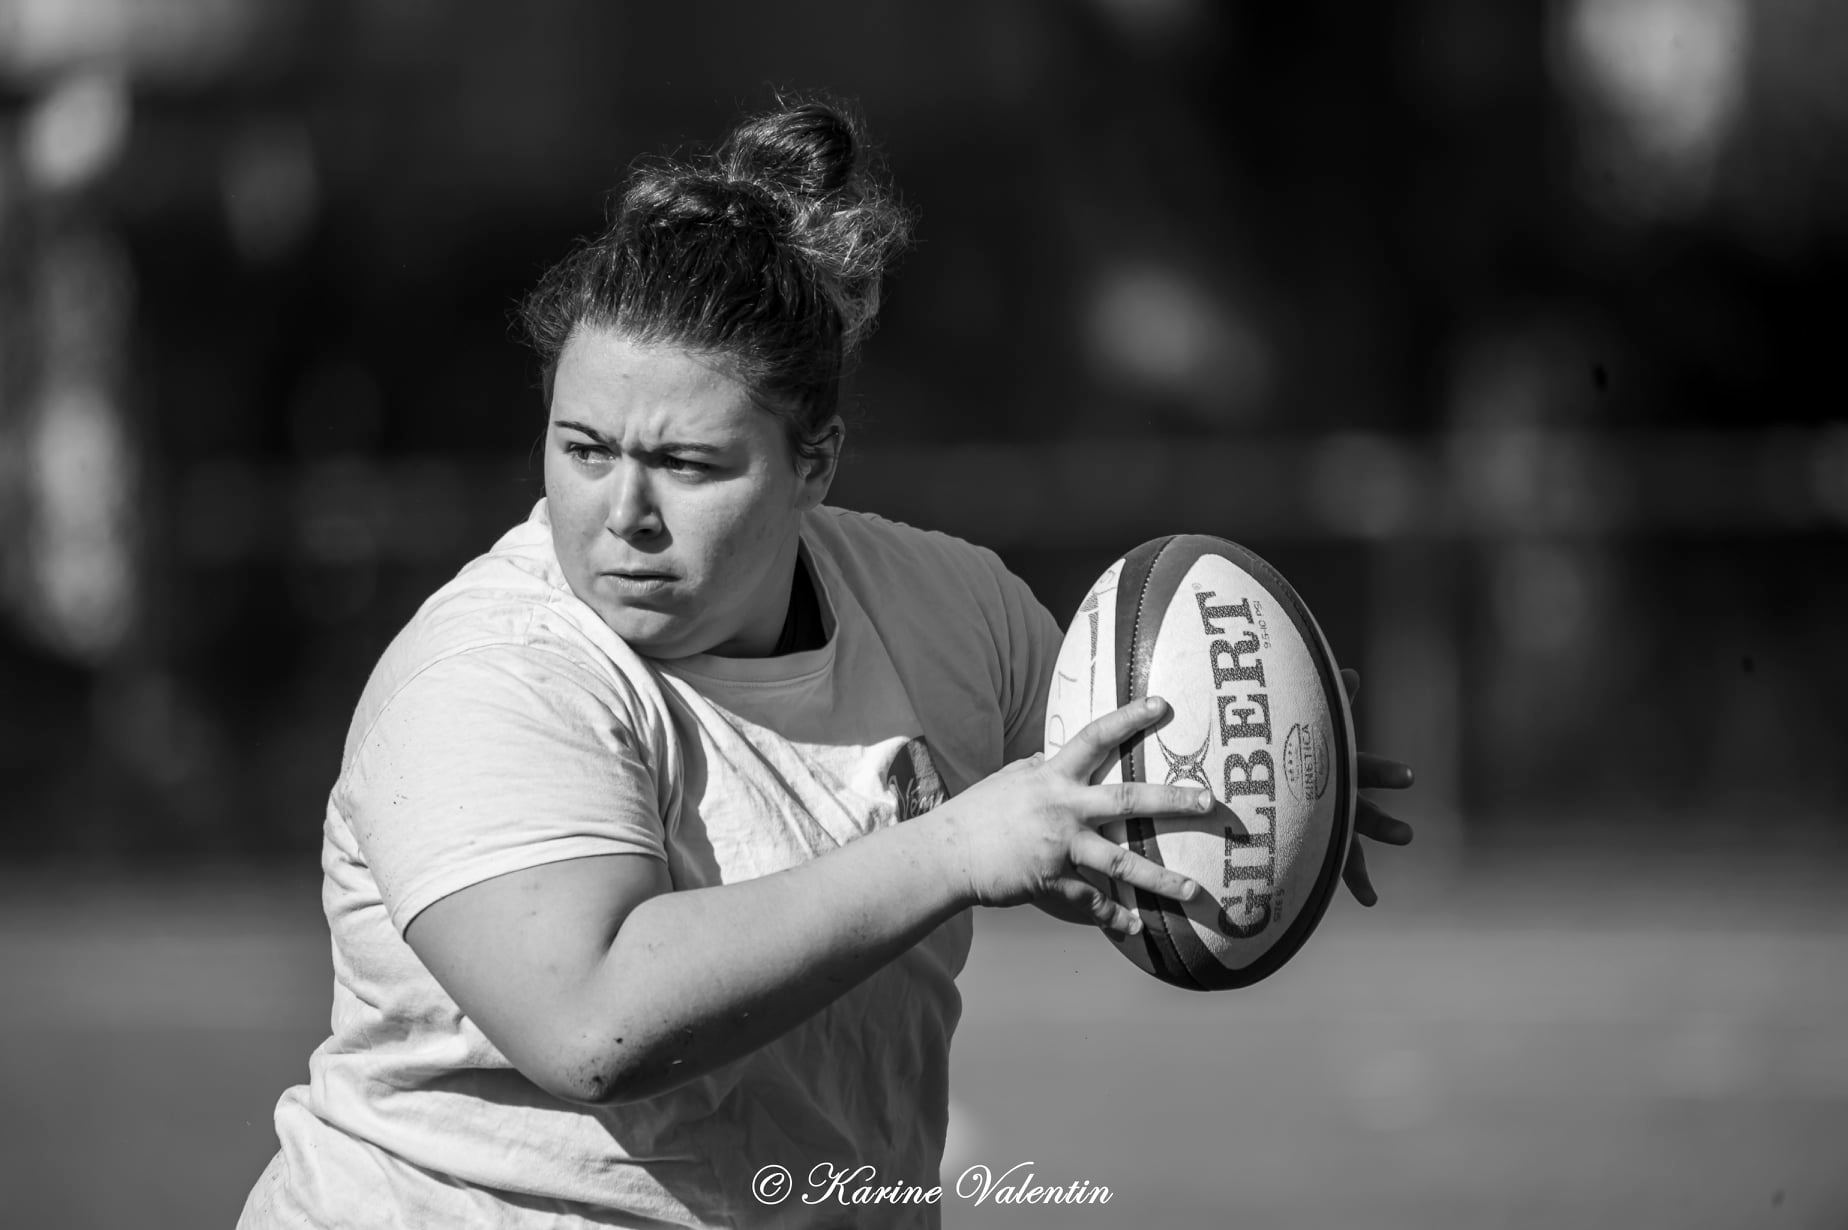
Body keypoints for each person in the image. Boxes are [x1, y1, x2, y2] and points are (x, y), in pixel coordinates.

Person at [238, 98, 1413, 1229]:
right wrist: (955, 846)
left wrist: (1242, 790)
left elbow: (1078, 817)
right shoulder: (493, 673)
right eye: (584, 448)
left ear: (818, 463)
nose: (622, 513)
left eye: (689, 465)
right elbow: (590, 1021)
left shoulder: (952, 614)